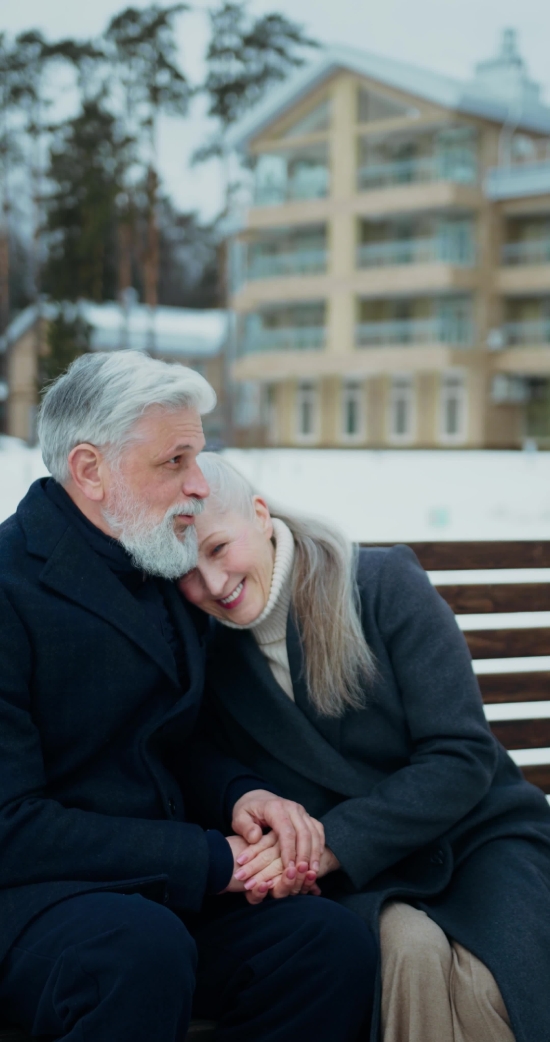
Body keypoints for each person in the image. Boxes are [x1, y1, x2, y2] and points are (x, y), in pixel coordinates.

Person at [0, 352, 377, 1042]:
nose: (200, 486)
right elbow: (10, 826)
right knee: (139, 952)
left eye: (197, 457)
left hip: (160, 895)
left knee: (327, 943)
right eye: (175, 462)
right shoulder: (9, 586)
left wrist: (241, 795)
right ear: (90, 470)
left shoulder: (160, 563)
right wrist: (207, 860)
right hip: (37, 901)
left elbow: (174, 739)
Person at [179, 451, 550, 1042]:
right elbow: (200, 758)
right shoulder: (207, 651)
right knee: (409, 951)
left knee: (492, 984)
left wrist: (332, 844)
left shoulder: (379, 584)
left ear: (260, 514)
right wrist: (262, 815)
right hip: (359, 876)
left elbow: (461, 755)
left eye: (219, 549)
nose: (213, 584)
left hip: (474, 836)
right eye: (187, 571)